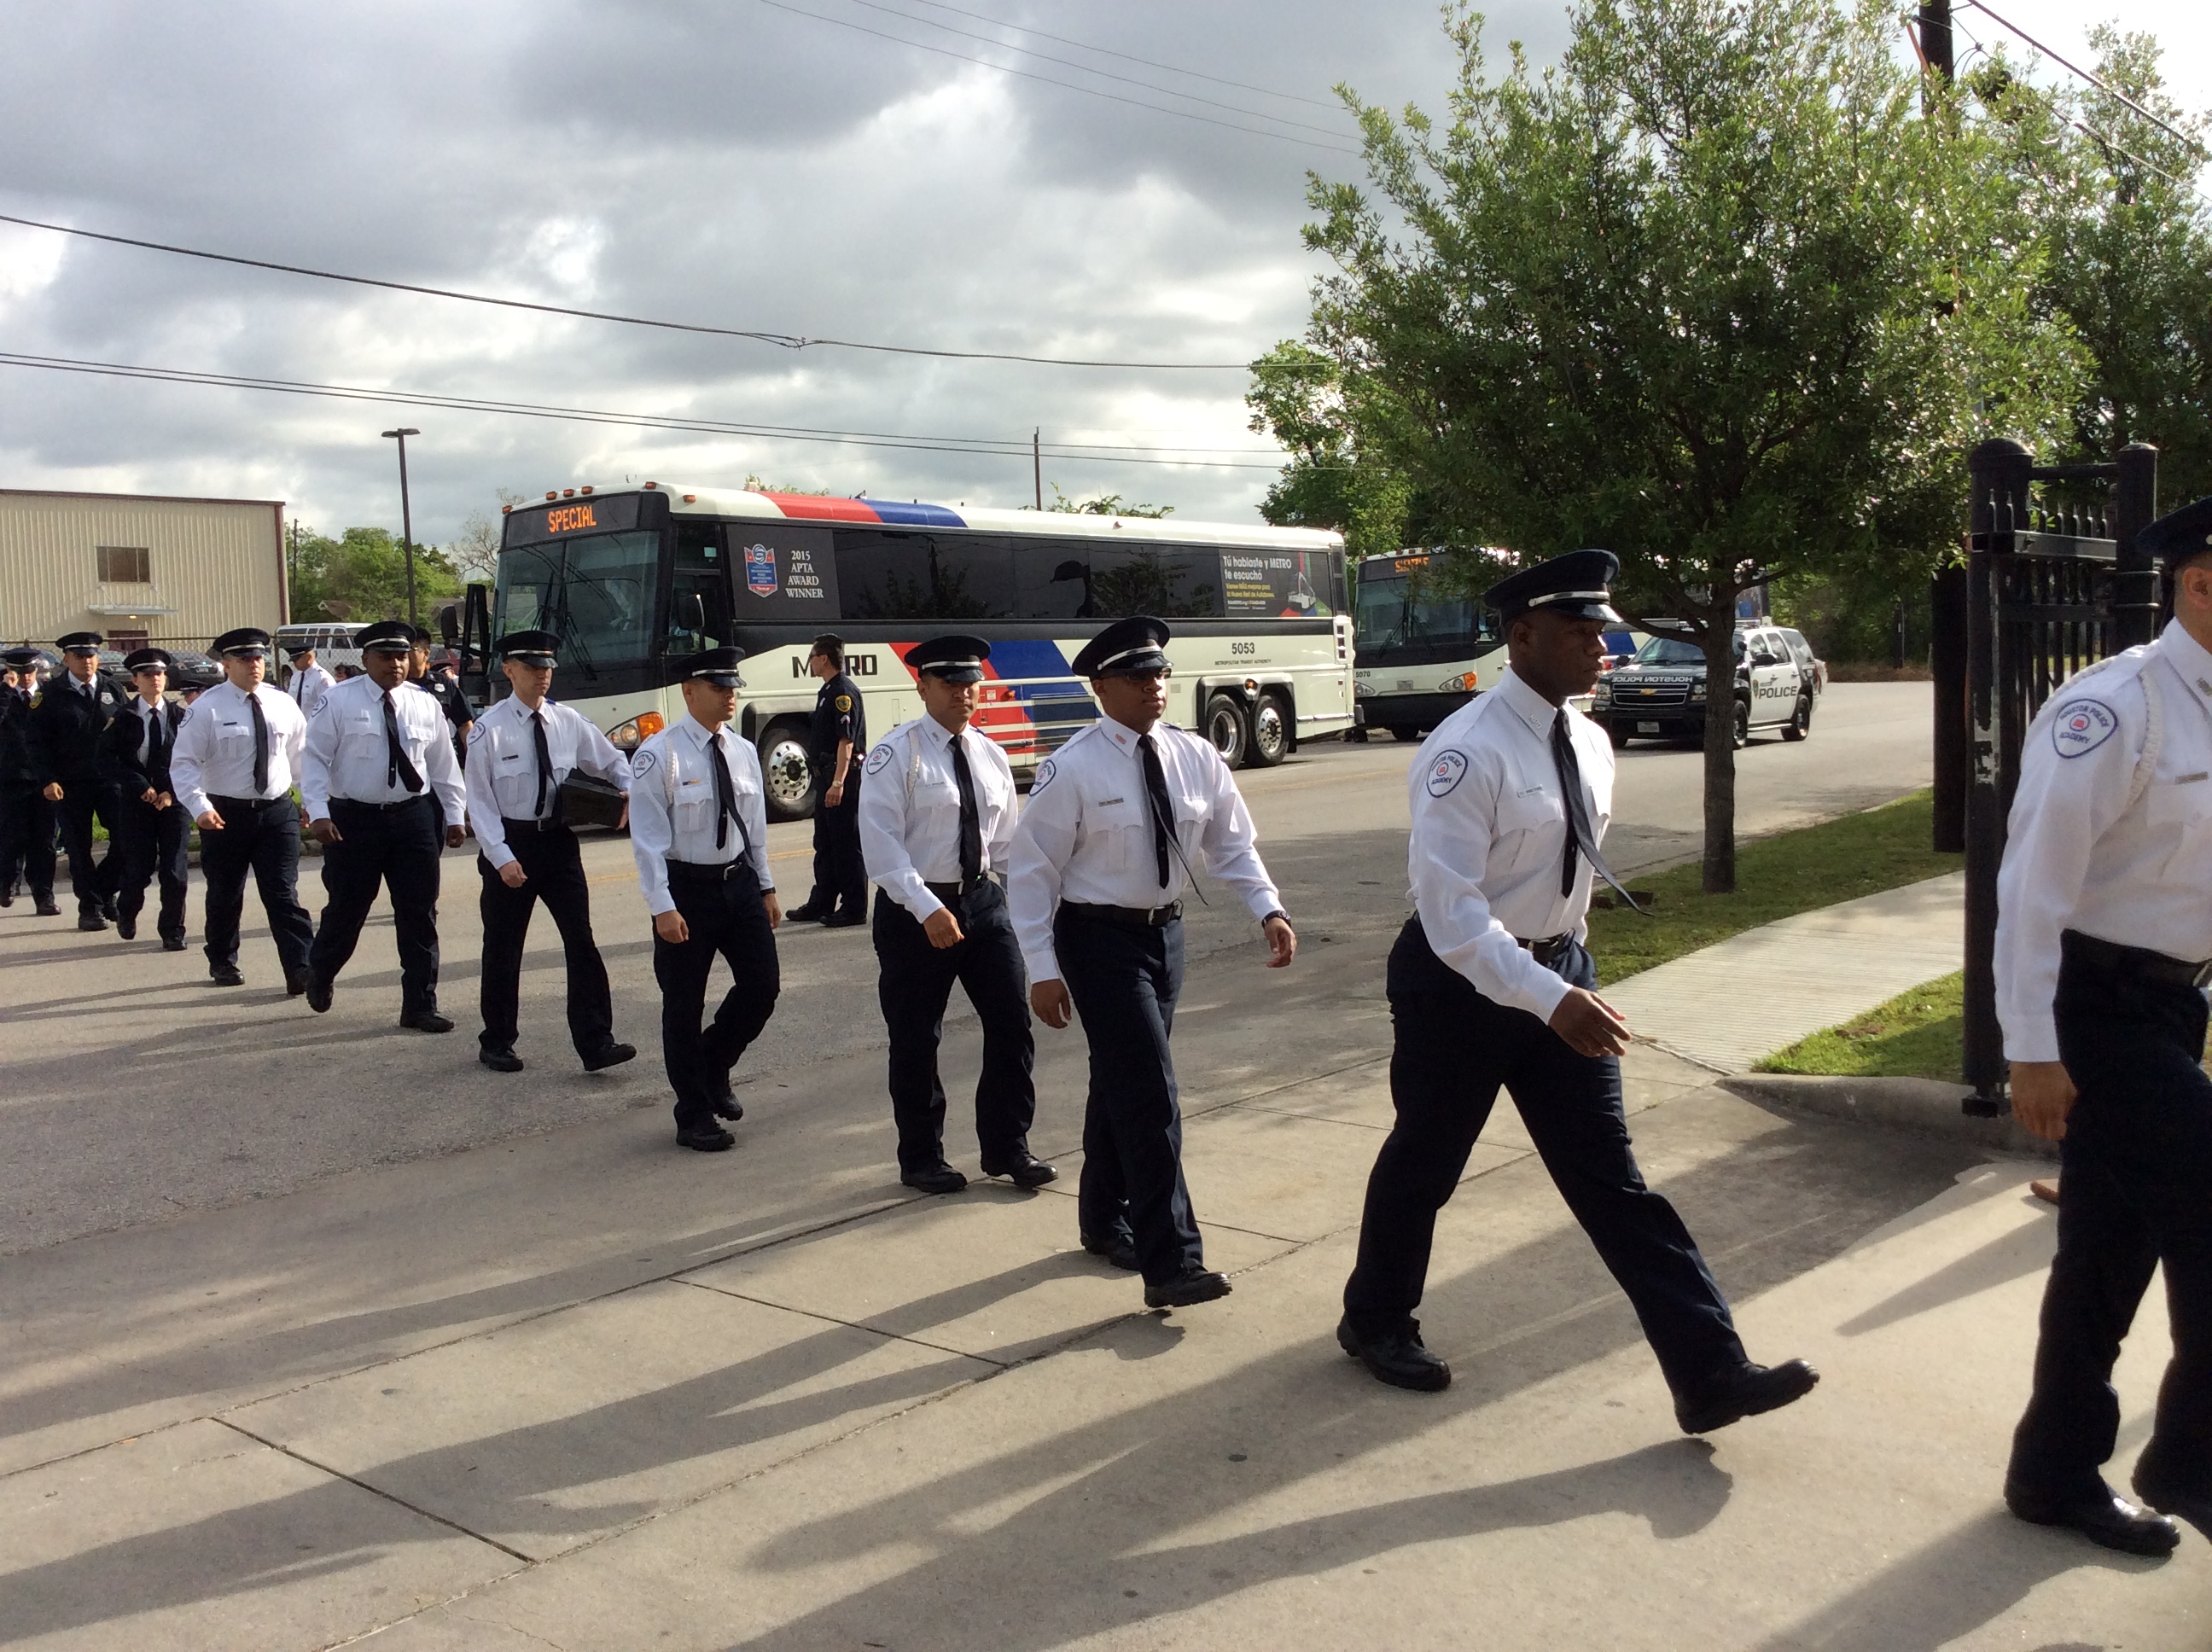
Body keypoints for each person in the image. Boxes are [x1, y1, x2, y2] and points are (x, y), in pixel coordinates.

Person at [1335, 550, 1818, 1432]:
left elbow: (1569, 879)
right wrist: (1548, 995)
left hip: (1556, 973)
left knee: (1613, 1181)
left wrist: (1568, 972)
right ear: (1521, 636)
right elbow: (1452, 916)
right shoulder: (1464, 751)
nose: (1603, 643)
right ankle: (1374, 1319)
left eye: (1603, 627)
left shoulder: (1591, 741)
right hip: (1460, 985)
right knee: (1427, 1160)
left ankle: (1710, 1371)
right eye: (1580, 629)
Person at [1992, 495, 2212, 1559]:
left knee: (2106, 1253)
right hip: (2095, 1007)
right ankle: (2192, 1460)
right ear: (2191, 584)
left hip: (2171, 1003)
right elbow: (2032, 883)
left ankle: (2052, 1469)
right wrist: (2030, 1045)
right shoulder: (2118, 706)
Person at [1009, 615, 1296, 1307]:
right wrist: (1041, 967)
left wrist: (1269, 908)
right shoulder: (1072, 768)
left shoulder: (1195, 755)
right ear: (1101, 687)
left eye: (1160, 674)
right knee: (1151, 1093)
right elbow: (1031, 872)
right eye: (1137, 678)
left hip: (1165, 937)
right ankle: (1172, 1262)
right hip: (1097, 941)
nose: (1154, 688)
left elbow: (1232, 844)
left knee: (1122, 1082)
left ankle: (1102, 1219)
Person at [859, 634, 1048, 1195]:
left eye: (972, 682)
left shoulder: (990, 753)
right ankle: (922, 1157)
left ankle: (1008, 1146)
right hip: (913, 911)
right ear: (923, 687)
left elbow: (1009, 845)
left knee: (1012, 1023)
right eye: (951, 683)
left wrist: (1035, 911)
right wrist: (926, 908)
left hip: (982, 903)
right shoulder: (896, 755)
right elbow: (882, 848)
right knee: (917, 1039)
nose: (965, 693)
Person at [630, 645, 782, 1151]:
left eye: (733, 686)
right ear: (688, 692)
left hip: (738, 883)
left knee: (763, 987)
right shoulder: (661, 753)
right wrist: (662, 904)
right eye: (719, 687)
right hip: (686, 889)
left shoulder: (739, 749)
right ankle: (693, 1113)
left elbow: (754, 826)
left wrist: (765, 884)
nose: (729, 695)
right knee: (683, 1004)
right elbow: (648, 838)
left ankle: (713, 1063)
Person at [466, 628, 637, 1074]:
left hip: (557, 842)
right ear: (509, 671)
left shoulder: (567, 721)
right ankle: (497, 1040)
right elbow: (480, 802)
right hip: (511, 841)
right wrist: (501, 857)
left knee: (581, 942)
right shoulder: (490, 730)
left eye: (547, 668)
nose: (543, 676)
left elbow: (612, 760)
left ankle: (596, 1041)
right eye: (532, 667)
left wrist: (628, 790)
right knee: (504, 948)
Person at [300, 620, 468, 1029]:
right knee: (347, 909)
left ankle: (420, 1005)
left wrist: (455, 814)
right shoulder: (338, 700)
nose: (396, 664)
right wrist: (318, 812)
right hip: (354, 819)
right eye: (386, 656)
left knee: (419, 913)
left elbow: (443, 763)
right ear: (365, 660)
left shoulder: (424, 701)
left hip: (413, 816)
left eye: (402, 656)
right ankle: (320, 971)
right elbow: (315, 758)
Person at [170, 626, 318, 990]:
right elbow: (183, 763)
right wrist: (200, 807)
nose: (255, 665)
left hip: (276, 812)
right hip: (225, 815)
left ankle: (301, 969)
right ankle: (223, 960)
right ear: (226, 665)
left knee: (283, 893)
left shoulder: (282, 702)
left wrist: (313, 802)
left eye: (259, 658)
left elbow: (302, 757)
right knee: (224, 892)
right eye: (245, 659)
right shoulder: (207, 708)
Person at [27, 631, 132, 930]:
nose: (86, 661)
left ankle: (103, 889)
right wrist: (47, 779)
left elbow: (126, 733)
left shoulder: (112, 687)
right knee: (78, 847)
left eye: (91, 655)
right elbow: (36, 742)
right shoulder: (49, 694)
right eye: (79, 656)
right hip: (70, 783)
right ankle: (90, 908)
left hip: (111, 780)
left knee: (126, 841)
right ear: (66, 659)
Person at [96, 648, 190, 948]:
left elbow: (193, 759)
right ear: (135, 681)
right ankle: (127, 911)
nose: (155, 680)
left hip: (173, 802)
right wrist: (138, 785)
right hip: (137, 804)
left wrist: (170, 791)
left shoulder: (180, 716)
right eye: (147, 675)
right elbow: (105, 759)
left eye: (159, 674)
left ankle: (173, 930)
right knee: (138, 867)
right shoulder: (123, 717)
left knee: (174, 871)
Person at [788, 632, 868, 926]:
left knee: (846, 844)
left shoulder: (843, 693)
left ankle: (854, 907)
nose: (809, 662)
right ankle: (822, 901)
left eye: (812, 657)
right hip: (826, 777)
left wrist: (838, 783)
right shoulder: (827, 690)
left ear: (823, 659)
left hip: (841, 779)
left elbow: (846, 742)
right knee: (825, 843)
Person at [0, 645, 59, 914]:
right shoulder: (4, 697)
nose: (26, 677)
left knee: (45, 841)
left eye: (30, 671)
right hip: (11, 779)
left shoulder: (47, 697)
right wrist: (5, 692)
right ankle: (7, 883)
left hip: (44, 779)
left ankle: (43, 895)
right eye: (20, 672)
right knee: (12, 837)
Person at [410, 640, 474, 767]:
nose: (404, 654)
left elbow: (465, 723)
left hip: (442, 757)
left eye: (411, 649)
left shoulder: (442, 683)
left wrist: (472, 760)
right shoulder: (396, 685)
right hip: (412, 756)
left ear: (426, 653)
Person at [283, 642, 334, 720]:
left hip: (315, 727)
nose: (294, 664)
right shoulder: (296, 677)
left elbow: (329, 708)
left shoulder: (322, 679)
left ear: (308, 657)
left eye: (296, 660)